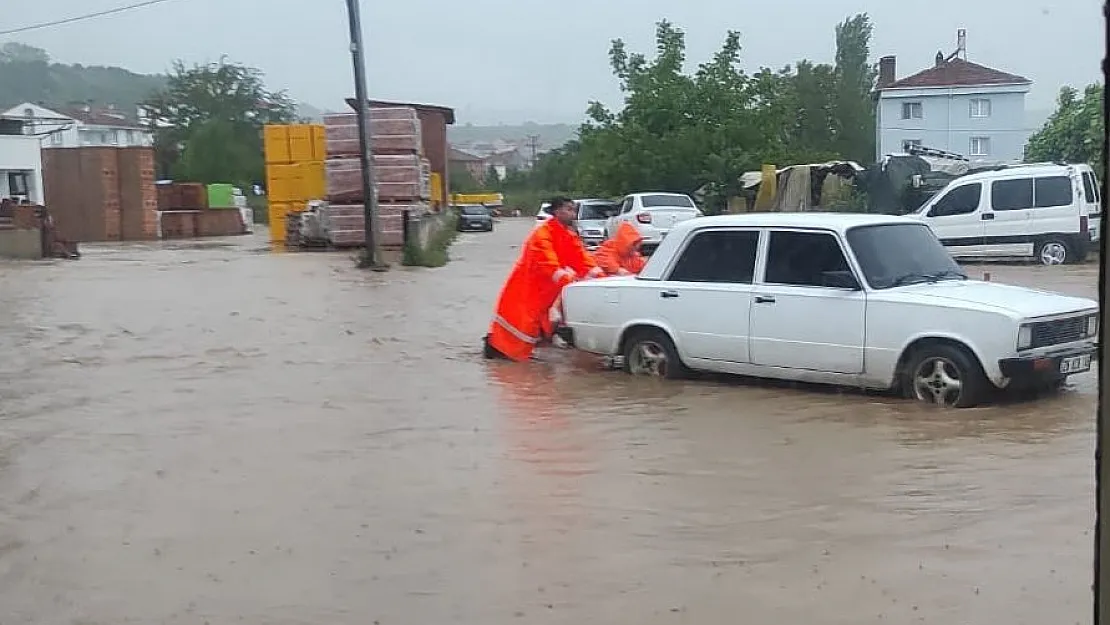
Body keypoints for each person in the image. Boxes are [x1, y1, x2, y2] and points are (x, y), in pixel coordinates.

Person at [484, 197, 602, 361]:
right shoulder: (542, 234)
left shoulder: (567, 235)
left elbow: (581, 258)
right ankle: (505, 355)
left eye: (573, 210)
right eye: (569, 209)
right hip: (527, 288)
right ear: (557, 211)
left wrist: (601, 278)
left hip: (546, 293)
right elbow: (548, 263)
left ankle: (522, 358)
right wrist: (570, 279)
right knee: (521, 325)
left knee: (537, 329)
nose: (573, 214)